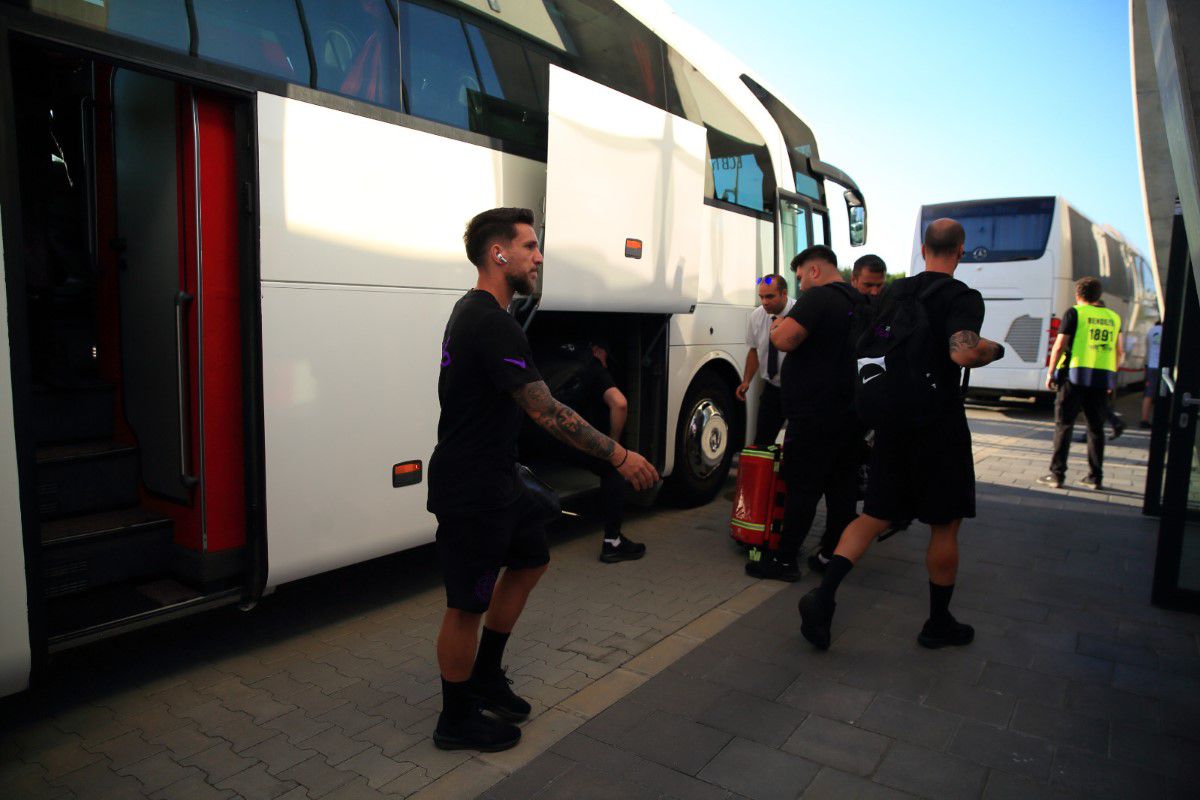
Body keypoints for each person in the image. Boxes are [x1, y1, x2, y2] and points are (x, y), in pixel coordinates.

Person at [427, 207, 658, 752]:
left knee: (531, 559)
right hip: (471, 485)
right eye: (529, 246)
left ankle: (485, 673)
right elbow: (546, 411)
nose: (538, 256)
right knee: (466, 604)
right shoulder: (486, 318)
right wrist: (619, 455)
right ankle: (455, 720)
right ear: (497, 253)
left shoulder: (489, 316)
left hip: (499, 478)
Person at [798, 219, 1004, 650]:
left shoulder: (895, 291)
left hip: (891, 421)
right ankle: (938, 622)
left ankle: (824, 596)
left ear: (924, 248)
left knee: (873, 515)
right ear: (960, 251)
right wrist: (993, 349)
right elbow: (962, 351)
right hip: (938, 427)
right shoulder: (961, 296)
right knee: (944, 525)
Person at [745, 245, 863, 582]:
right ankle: (831, 554)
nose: (802, 286)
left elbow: (784, 339)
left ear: (814, 270)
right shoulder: (857, 300)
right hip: (848, 412)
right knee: (841, 489)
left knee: (803, 488)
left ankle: (784, 560)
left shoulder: (819, 298)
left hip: (815, 414)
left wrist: (780, 326)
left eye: (800, 278)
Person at [534, 338, 645, 563]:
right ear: (597, 350)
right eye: (606, 358)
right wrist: (612, 447)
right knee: (613, 468)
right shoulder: (592, 364)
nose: (606, 364)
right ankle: (613, 542)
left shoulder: (549, 351)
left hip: (531, 434)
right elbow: (619, 403)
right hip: (563, 433)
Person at [1037, 277, 1124, 490]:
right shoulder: (1113, 317)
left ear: (1078, 294)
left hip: (1074, 377)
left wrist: (1051, 373)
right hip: (1101, 379)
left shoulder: (1075, 313)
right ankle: (1095, 477)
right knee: (1096, 428)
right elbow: (1119, 351)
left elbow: (1059, 346)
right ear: (1098, 295)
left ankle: (1057, 475)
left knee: (1064, 425)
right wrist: (1111, 374)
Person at [736, 275, 795, 446]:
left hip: (797, 390)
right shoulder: (757, 316)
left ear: (784, 294)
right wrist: (746, 381)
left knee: (796, 444)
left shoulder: (799, 312)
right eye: (761, 297)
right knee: (762, 441)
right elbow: (754, 351)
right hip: (773, 389)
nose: (764, 302)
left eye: (769, 296)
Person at [1141, 319, 1163, 428]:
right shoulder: (1166, 330)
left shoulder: (1151, 331)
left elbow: (1147, 348)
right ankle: (1161, 420)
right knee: (1163, 394)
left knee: (1148, 394)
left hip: (1150, 365)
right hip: (1162, 367)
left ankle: (1144, 420)